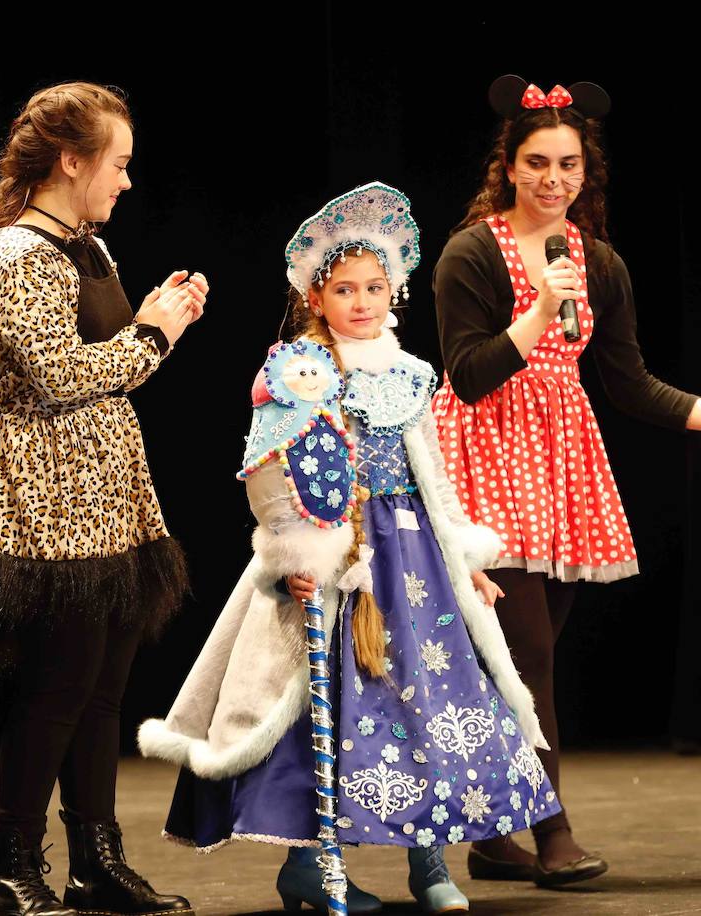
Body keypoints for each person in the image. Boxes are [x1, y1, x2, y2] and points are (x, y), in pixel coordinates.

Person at [140, 182, 557, 915]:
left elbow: (435, 476)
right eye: (344, 289)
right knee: (327, 709)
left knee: (427, 704)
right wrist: (296, 559)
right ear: (316, 297)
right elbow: (269, 476)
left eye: (375, 287)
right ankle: (312, 864)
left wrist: (464, 562)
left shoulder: (409, 375)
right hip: (337, 562)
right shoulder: (299, 373)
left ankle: (430, 863)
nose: (362, 301)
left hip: (415, 565)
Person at [430, 76, 701, 887]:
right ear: (507, 167)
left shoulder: (601, 262)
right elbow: (470, 374)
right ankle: (552, 834)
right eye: (537, 164)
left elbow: (627, 382)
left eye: (570, 166)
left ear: (588, 172)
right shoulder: (472, 252)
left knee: (513, 663)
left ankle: (491, 836)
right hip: (483, 456)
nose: (555, 180)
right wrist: (540, 311)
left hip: (560, 464)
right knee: (529, 655)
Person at [0, 81, 205, 916]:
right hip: (47, 492)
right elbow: (59, 378)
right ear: (72, 160)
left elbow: (103, 364)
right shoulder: (16, 255)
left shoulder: (86, 245)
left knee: (103, 688)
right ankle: (12, 870)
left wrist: (156, 323)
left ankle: (96, 859)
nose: (126, 181)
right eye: (117, 164)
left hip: (108, 485)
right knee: (57, 687)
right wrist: (156, 330)